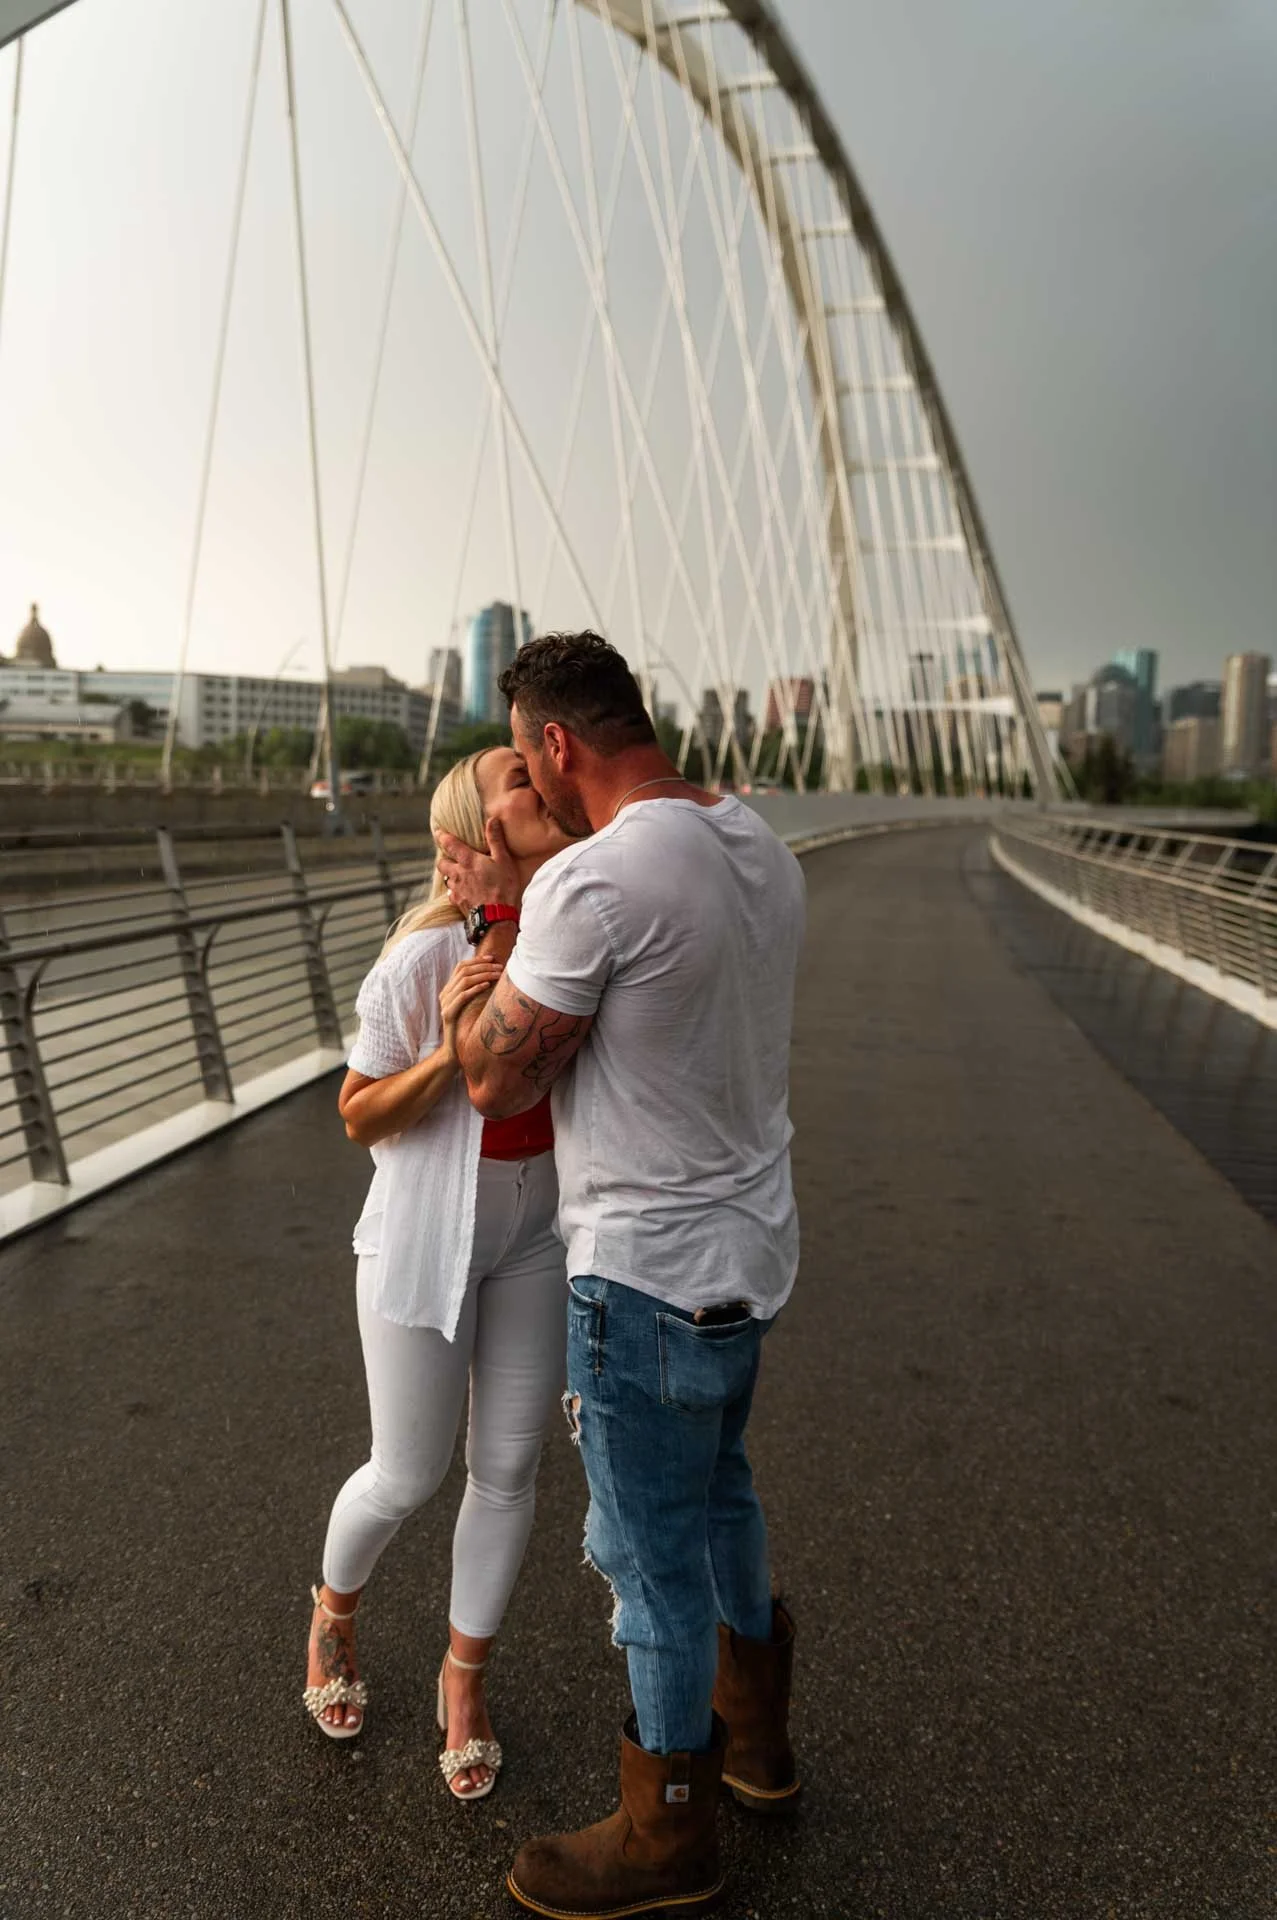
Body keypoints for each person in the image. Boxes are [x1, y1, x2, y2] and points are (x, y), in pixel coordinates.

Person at [437, 633, 805, 1916]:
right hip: (748, 1258)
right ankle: (756, 1748)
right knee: (721, 1501)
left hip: (643, 1277)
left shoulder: (592, 885)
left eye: (526, 769)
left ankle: (667, 1835)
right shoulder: (751, 838)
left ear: (550, 746)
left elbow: (493, 1072)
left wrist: (511, 899)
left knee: (645, 1559)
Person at [302, 747, 572, 1801]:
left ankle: (462, 1685)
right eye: (512, 780)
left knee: (508, 1472)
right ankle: (334, 1614)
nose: (536, 790)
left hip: (536, 1234)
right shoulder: (418, 962)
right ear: (470, 835)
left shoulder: (566, 934)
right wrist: (450, 1049)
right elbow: (356, 1114)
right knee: (406, 1473)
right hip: (423, 1233)